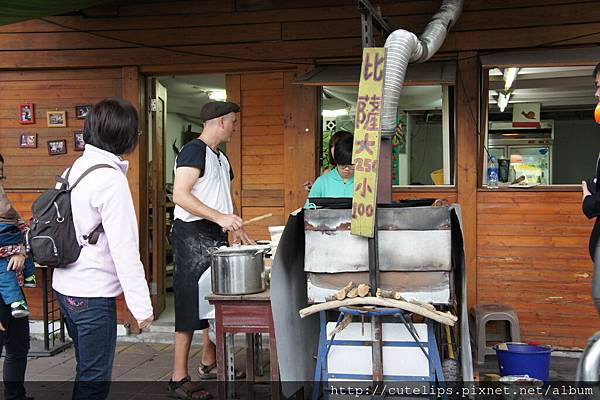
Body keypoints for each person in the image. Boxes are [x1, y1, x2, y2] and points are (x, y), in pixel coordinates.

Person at [52, 98, 153, 400]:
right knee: (94, 380)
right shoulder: (110, 180)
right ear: (123, 135)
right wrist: (142, 307)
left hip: (65, 287)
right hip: (92, 294)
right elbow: (125, 249)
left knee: (86, 371)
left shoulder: (76, 168)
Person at [170, 101, 253, 399]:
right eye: (232, 121)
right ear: (220, 122)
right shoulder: (193, 150)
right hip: (190, 235)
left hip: (213, 233)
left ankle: (209, 361)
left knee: (212, 301)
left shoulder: (221, 158)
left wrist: (238, 229)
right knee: (190, 304)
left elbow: (224, 199)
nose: (235, 126)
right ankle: (178, 377)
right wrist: (220, 218)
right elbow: (180, 195)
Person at [0, 154, 33, 400]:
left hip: (11, 289)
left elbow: (23, 230)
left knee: (19, 346)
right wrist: (14, 250)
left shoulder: (3, 199)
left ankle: (15, 395)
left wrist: (21, 249)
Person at [305, 135, 355, 206]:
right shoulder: (322, 182)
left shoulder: (365, 181)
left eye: (351, 164)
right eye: (342, 164)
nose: (347, 168)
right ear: (335, 160)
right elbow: (308, 210)